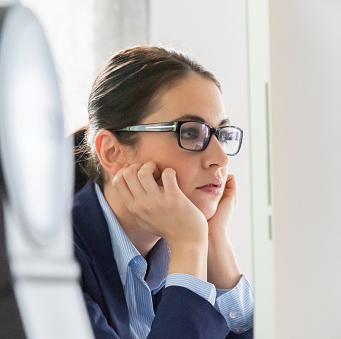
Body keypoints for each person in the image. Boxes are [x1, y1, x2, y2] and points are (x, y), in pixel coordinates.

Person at [73, 45, 253, 339]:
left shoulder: (182, 252)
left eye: (221, 133)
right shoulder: (55, 264)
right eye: (190, 132)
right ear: (113, 151)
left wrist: (214, 246)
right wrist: (189, 245)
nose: (220, 158)